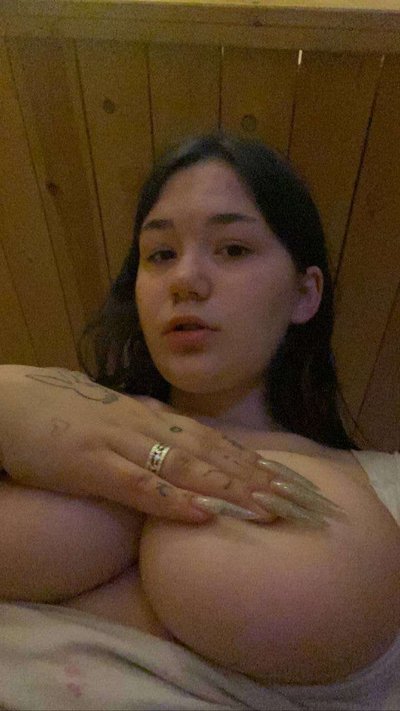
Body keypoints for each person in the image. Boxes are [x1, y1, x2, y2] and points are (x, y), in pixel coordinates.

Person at [0, 131, 399, 710]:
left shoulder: (388, 483)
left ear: (304, 294)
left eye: (232, 249)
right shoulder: (40, 419)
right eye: (160, 254)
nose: (185, 279)